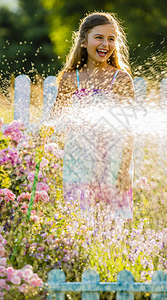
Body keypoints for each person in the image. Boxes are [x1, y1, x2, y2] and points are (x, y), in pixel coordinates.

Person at [51, 12, 135, 220]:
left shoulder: (121, 79)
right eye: (99, 37)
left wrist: (124, 170)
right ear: (83, 41)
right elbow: (56, 117)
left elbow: (129, 129)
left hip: (112, 160)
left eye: (111, 39)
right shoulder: (71, 79)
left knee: (112, 222)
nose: (105, 43)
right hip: (78, 160)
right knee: (79, 220)